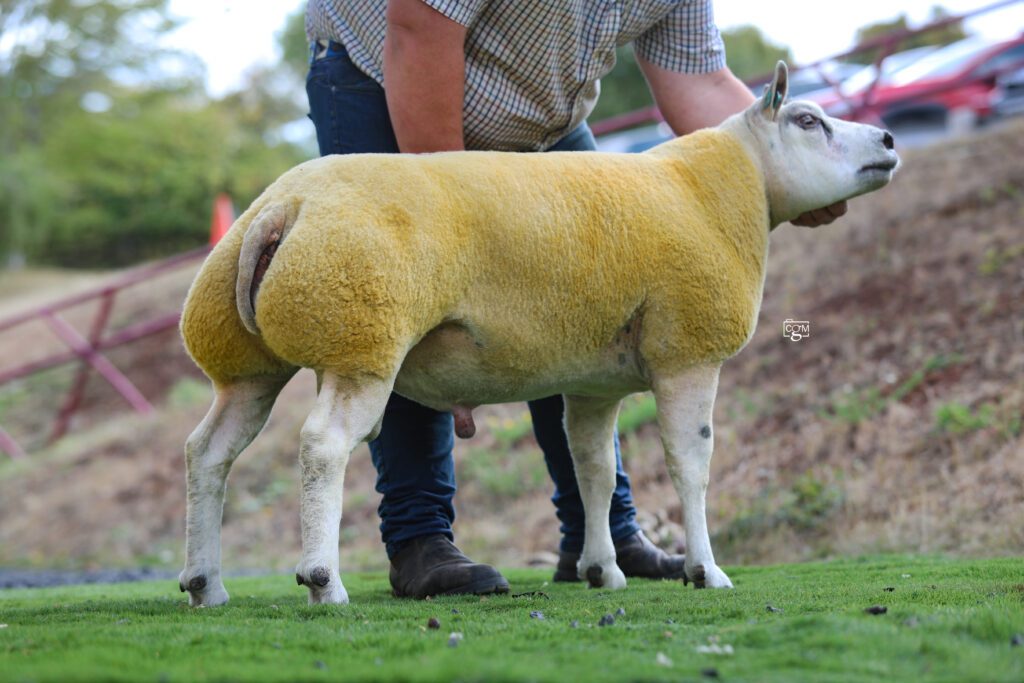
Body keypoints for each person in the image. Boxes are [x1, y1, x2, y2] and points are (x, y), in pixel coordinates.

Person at [304, 0, 846, 599]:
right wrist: (456, 243)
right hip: (388, 74)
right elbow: (418, 27)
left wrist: (784, 165)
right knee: (406, 288)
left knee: (589, 299)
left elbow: (699, 78)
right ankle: (420, 539)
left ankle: (602, 538)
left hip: (544, 122)